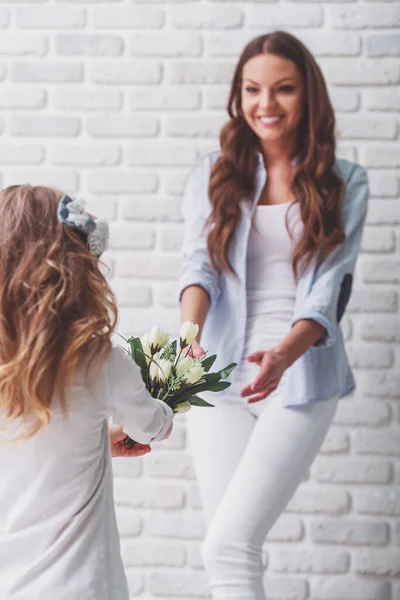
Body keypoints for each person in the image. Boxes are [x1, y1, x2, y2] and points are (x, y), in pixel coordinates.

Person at [179, 31, 369, 599]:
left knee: (228, 544)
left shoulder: (345, 181)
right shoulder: (214, 174)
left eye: (284, 89)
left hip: (299, 377)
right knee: (229, 546)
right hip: (217, 377)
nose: (267, 104)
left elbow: (328, 288)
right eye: (254, 89)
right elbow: (199, 267)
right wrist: (187, 339)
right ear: (240, 96)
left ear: (307, 94)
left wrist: (282, 356)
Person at [0, 186, 173, 600]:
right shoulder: (99, 360)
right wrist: (166, 407)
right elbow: (150, 427)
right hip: (81, 585)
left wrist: (93, 441)